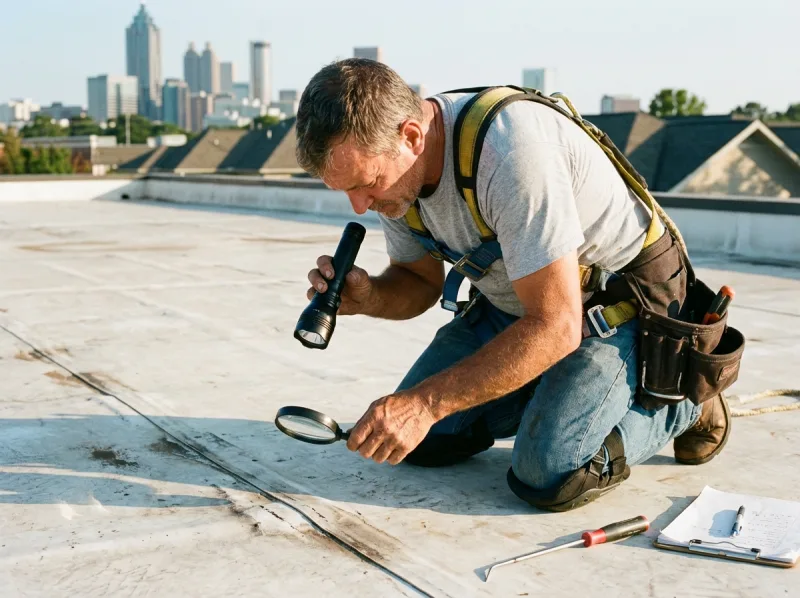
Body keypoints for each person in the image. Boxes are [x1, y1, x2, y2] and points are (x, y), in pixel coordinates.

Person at [294, 58, 730, 511]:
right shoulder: (400, 178)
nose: (361, 206)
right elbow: (418, 283)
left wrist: (425, 404)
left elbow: (557, 326)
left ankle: (684, 400)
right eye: (346, 191)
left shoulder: (510, 154)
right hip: (525, 307)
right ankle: (555, 395)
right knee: (421, 443)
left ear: (411, 136)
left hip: (614, 311)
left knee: (548, 471)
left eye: (368, 184)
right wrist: (370, 297)